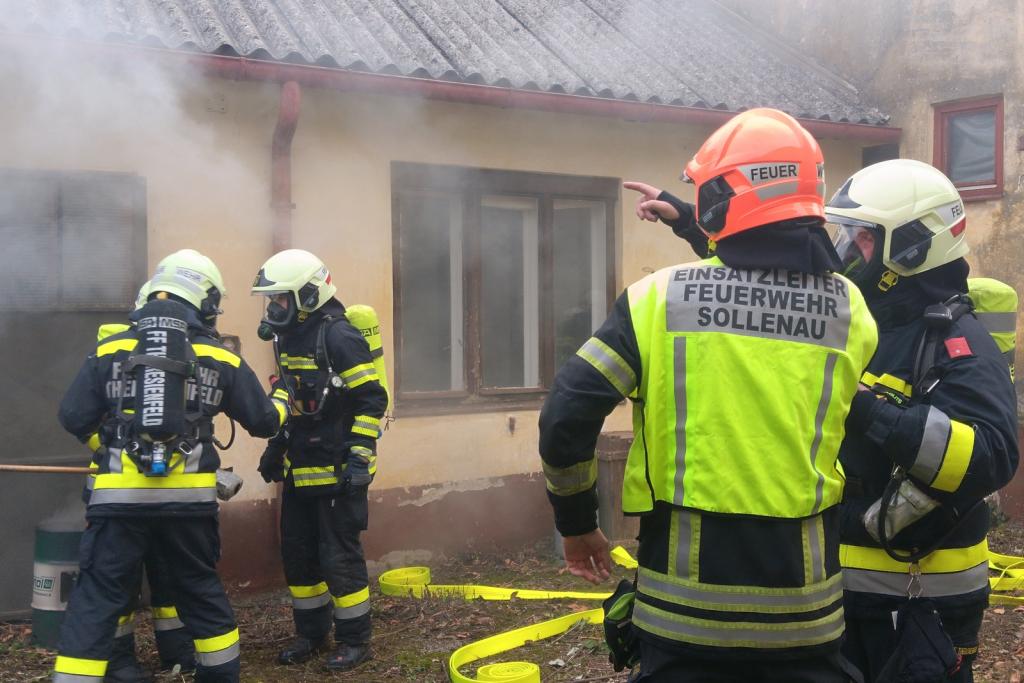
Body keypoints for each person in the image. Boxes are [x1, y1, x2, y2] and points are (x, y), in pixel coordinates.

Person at [540, 108, 878, 682]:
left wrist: (577, 525)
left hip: (683, 621)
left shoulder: (656, 300)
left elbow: (565, 418)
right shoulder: (851, 310)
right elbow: (772, 283)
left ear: (726, 198)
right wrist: (690, 225)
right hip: (807, 621)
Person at [53, 249, 289, 683]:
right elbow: (264, 423)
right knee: (200, 592)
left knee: (98, 600)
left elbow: (72, 416)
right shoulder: (221, 357)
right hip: (189, 506)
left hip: (116, 505)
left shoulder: (111, 348)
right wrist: (283, 397)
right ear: (205, 301)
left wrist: (108, 450)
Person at [825, 159, 1018, 682]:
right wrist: (695, 225)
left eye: (861, 240)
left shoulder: (961, 344)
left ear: (909, 247)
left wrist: (870, 411)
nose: (846, 254)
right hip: (853, 592)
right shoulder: (876, 327)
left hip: (921, 606)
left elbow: (992, 456)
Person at [251, 249, 387, 672]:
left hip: (338, 471)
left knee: (338, 558)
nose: (273, 309)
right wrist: (276, 447)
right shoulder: (289, 337)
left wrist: (359, 458)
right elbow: (296, 401)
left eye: (280, 300)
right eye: (270, 300)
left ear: (308, 295)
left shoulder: (339, 337)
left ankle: (354, 640)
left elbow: (371, 398)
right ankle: (310, 634)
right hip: (301, 468)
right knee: (299, 555)